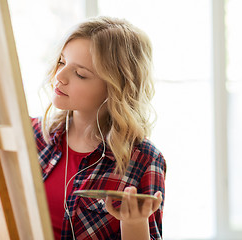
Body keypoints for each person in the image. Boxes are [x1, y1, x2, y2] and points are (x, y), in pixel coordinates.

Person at [31, 16, 166, 240]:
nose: (59, 77)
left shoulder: (144, 160)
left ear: (114, 88)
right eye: (62, 62)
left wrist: (134, 222)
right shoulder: (30, 135)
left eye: (80, 74)